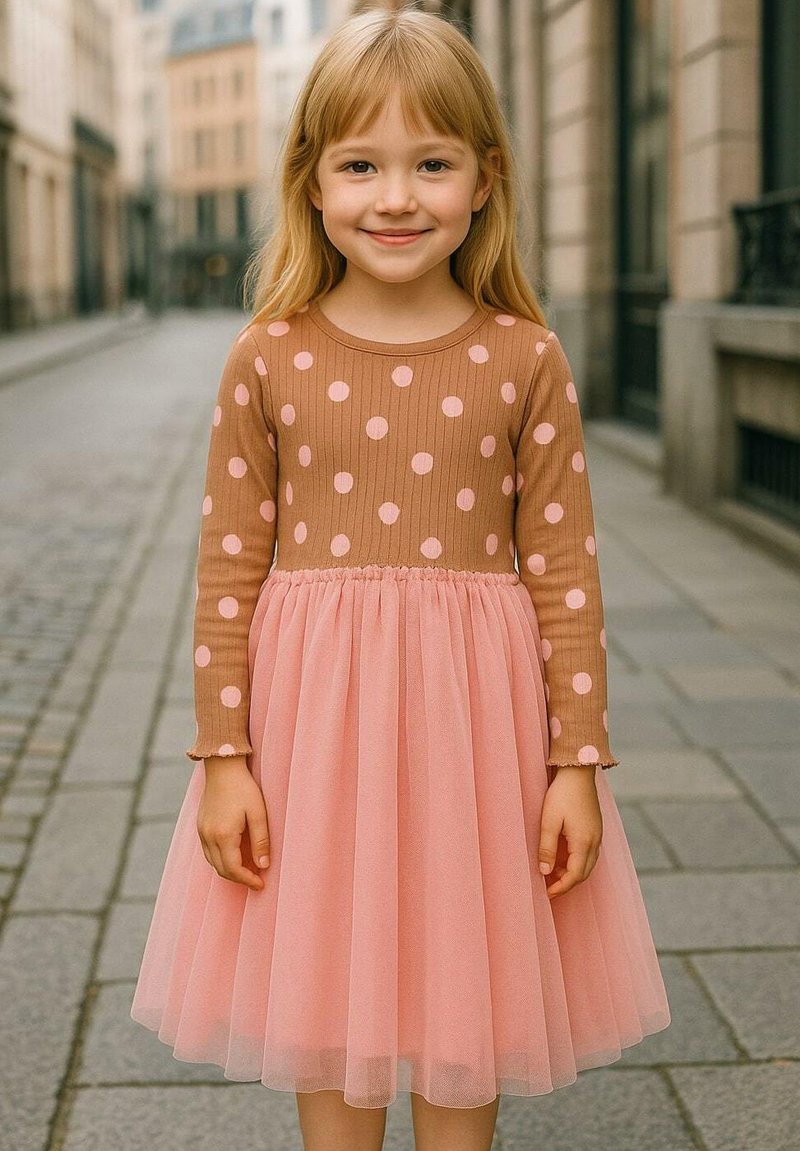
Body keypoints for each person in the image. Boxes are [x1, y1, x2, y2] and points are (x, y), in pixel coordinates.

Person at [130, 6, 671, 1150]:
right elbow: (226, 564)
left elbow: (565, 569)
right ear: (311, 182)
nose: (394, 196)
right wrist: (222, 755)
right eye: (361, 164)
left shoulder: (523, 354)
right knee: (329, 966)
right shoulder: (268, 354)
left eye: (429, 163)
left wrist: (576, 761)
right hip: (312, 727)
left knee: (460, 963)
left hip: (476, 727)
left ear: (483, 179)